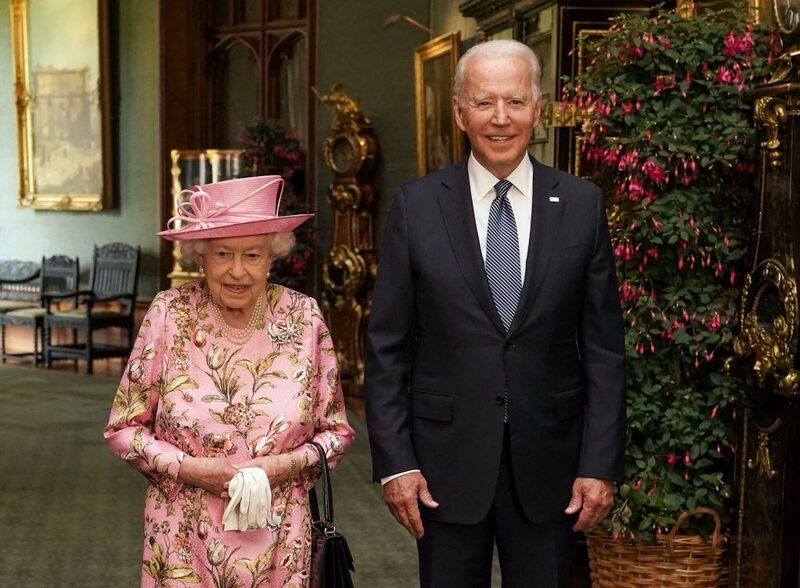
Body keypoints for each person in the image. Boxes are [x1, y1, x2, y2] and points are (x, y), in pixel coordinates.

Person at [364, 39, 625, 587]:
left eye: (515, 101)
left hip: (553, 468)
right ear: (460, 112)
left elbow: (603, 349)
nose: (500, 119)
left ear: (539, 109)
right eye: (484, 103)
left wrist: (599, 464)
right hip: (442, 467)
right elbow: (386, 347)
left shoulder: (581, 204)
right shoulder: (416, 206)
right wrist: (396, 462)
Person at [105, 175, 354, 587]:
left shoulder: (304, 317)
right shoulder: (170, 314)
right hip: (183, 539)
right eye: (223, 254)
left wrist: (284, 465)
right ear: (199, 256)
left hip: (281, 542)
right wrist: (189, 468)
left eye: (253, 255)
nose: (237, 271)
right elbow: (123, 429)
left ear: (272, 257)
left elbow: (337, 434)